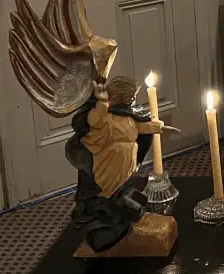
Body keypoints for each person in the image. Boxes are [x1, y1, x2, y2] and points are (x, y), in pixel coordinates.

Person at [66, 77, 178, 251]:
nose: (131, 100)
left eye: (132, 96)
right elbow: (94, 120)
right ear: (118, 96)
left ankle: (124, 216)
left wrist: (159, 127)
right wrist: (102, 103)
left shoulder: (127, 116)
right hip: (107, 166)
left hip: (125, 167)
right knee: (109, 195)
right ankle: (107, 226)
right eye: (129, 96)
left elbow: (142, 127)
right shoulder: (104, 118)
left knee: (124, 190)